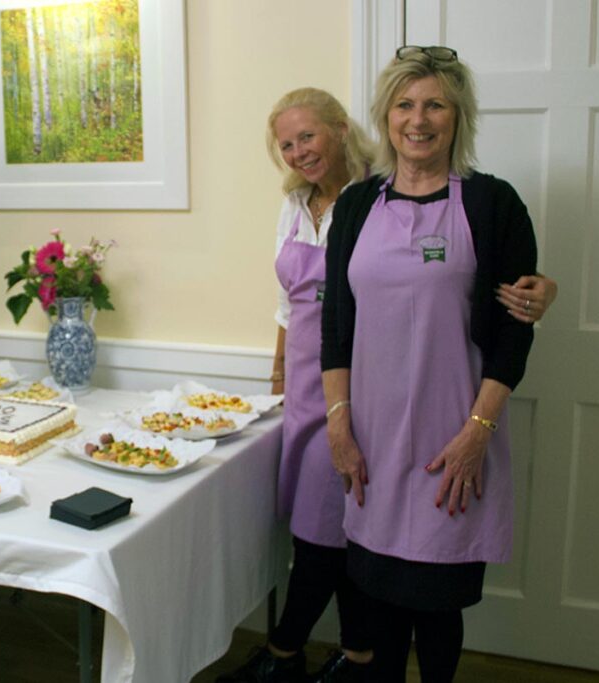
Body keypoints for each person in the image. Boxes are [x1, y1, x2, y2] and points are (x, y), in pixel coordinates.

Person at [321, 46, 537, 682]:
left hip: (455, 438)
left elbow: (513, 336)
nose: (419, 119)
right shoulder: (357, 208)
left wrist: (478, 433)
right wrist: (339, 425)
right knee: (379, 596)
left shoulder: (494, 205)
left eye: (435, 104)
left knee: (438, 604)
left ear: (457, 116)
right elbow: (337, 328)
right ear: (386, 117)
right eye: (405, 105)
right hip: (374, 440)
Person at [220, 89, 376, 683]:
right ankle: (359, 656)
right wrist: (280, 372)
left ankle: (285, 654)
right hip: (304, 384)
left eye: (307, 136)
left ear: (340, 128)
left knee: (324, 532)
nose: (297, 153)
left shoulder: (376, 195)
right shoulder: (294, 204)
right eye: (286, 144)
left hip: (358, 380)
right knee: (328, 528)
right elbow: (287, 304)